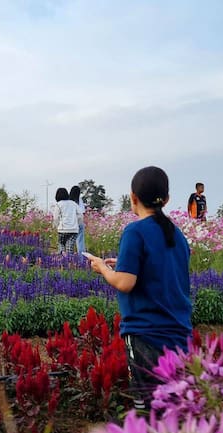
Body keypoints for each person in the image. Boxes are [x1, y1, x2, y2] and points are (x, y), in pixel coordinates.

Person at [86, 166, 192, 410]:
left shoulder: (135, 231)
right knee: (174, 408)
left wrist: (103, 268)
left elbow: (125, 283)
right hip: (179, 333)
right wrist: (123, 264)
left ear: (132, 198)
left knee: (149, 411)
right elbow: (161, 270)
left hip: (146, 335)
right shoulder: (177, 235)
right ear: (166, 200)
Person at [50, 187, 82, 255]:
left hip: (62, 230)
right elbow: (80, 215)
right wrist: (77, 224)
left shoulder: (58, 205)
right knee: (70, 247)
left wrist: (56, 226)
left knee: (61, 244)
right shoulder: (74, 203)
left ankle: (61, 258)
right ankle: (69, 261)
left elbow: (56, 218)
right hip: (74, 230)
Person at [69, 185, 86, 254]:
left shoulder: (68, 201)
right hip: (79, 223)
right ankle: (81, 259)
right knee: (80, 242)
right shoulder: (79, 199)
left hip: (70, 224)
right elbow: (83, 212)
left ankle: (68, 259)